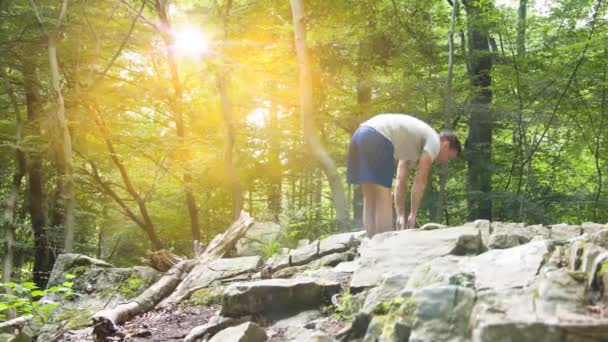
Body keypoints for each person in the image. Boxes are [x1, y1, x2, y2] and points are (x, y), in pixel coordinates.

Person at [347, 113, 461, 237]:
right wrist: (413, 213)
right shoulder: (434, 141)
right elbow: (420, 181)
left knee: (370, 195)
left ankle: (371, 242)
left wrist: (400, 214)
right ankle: (383, 246)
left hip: (360, 134)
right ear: (446, 145)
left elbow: (401, 180)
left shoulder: (411, 143)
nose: (445, 162)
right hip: (378, 137)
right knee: (383, 194)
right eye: (449, 157)